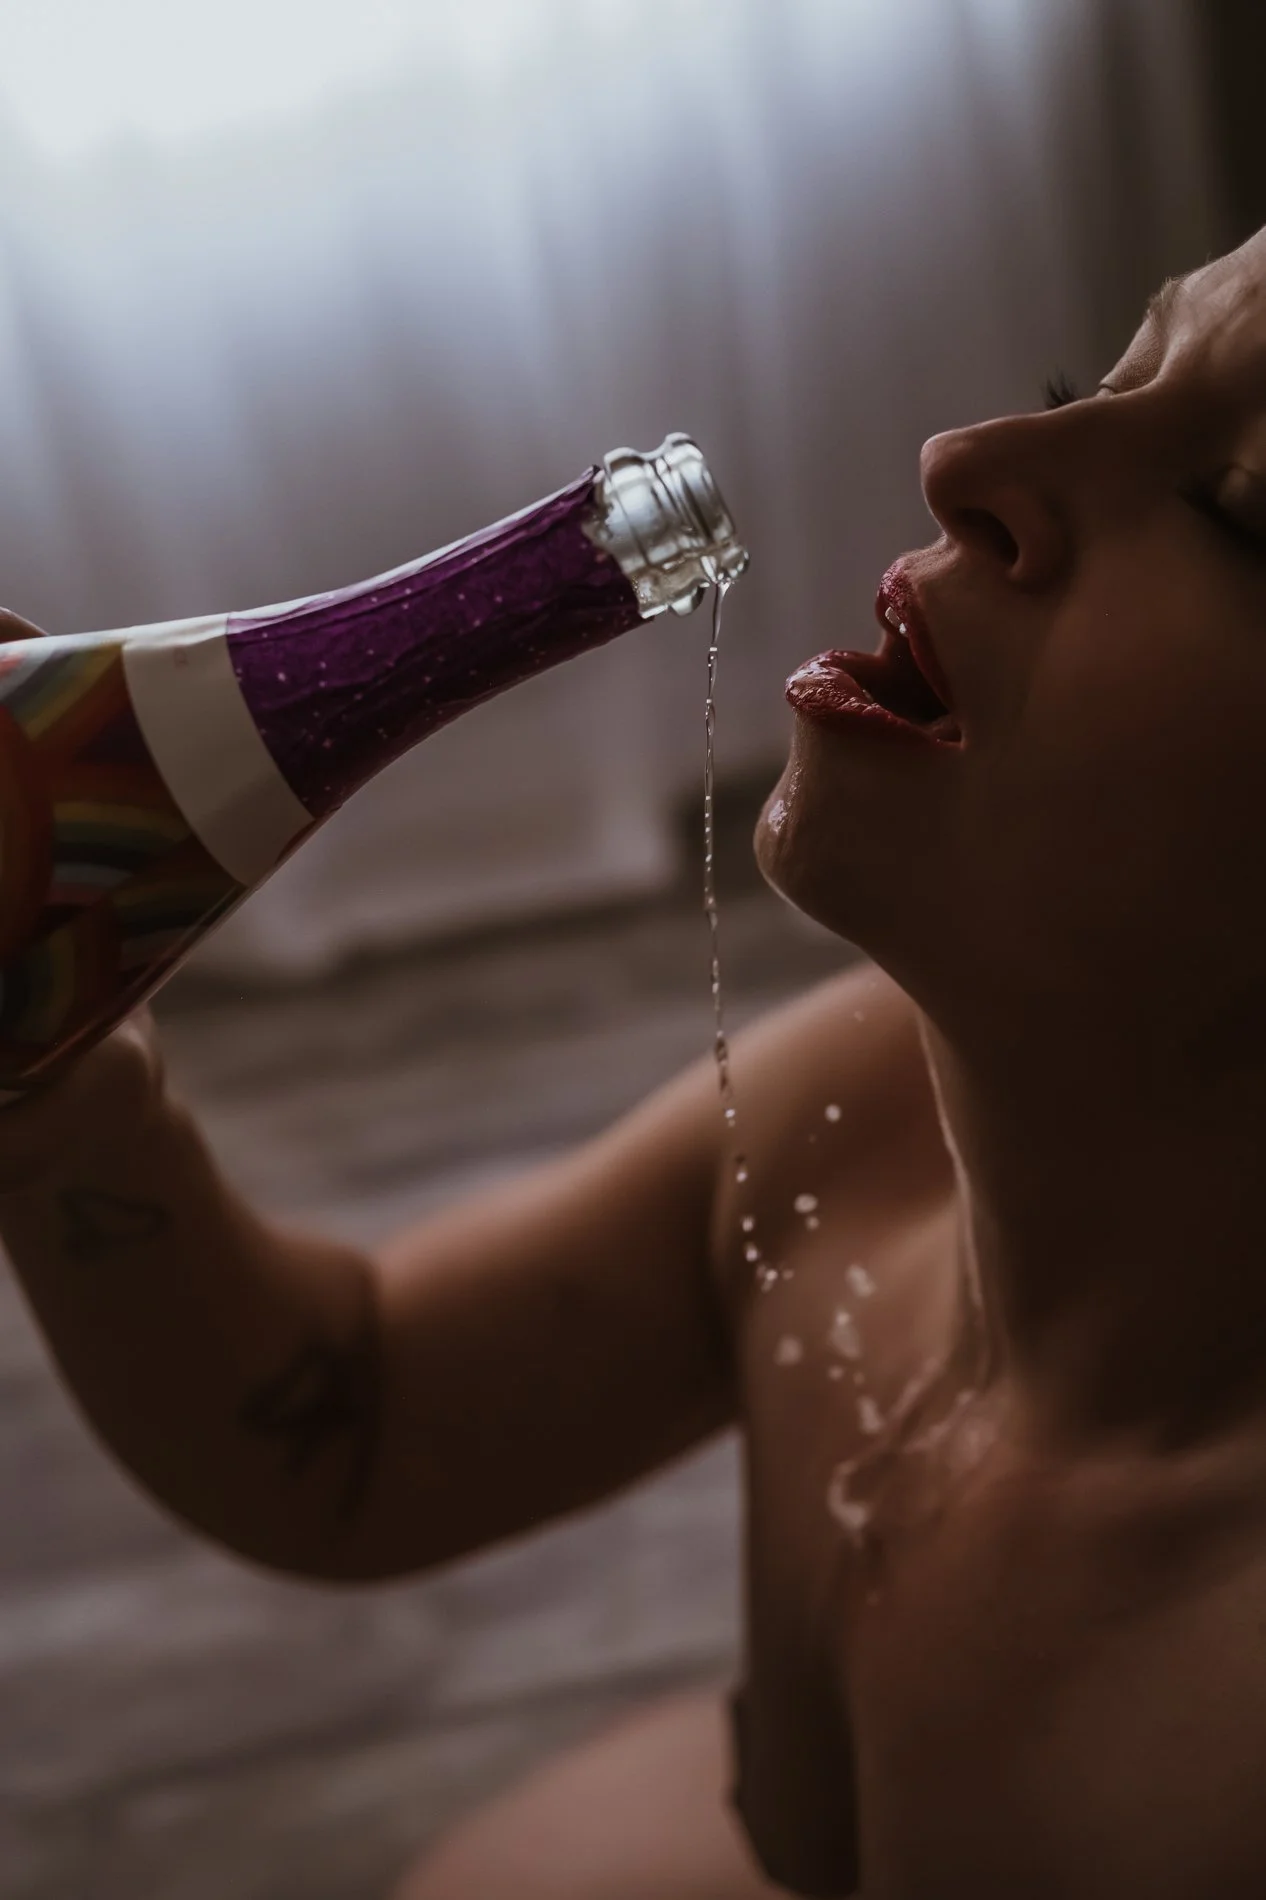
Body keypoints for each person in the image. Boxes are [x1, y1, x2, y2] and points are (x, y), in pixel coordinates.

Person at [7, 220, 1266, 1900]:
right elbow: (362, 1423)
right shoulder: (854, 1110)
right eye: (1085, 380)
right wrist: (75, 1109)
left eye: (1240, 510)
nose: (968, 457)